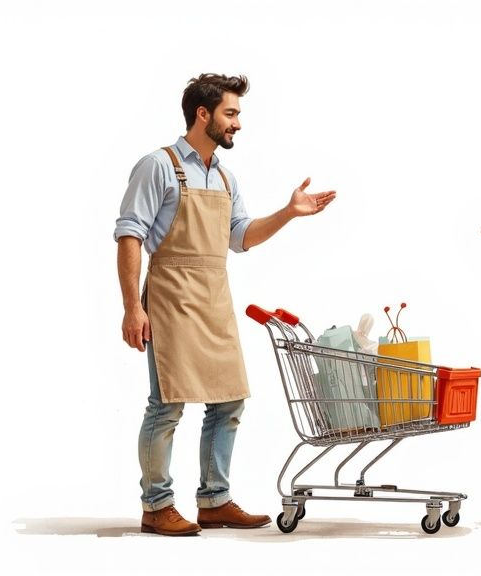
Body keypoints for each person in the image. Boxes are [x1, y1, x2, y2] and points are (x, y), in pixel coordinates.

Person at [114, 73, 336, 536]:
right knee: (167, 404)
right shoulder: (160, 165)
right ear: (203, 114)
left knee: (230, 399)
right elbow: (130, 234)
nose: (238, 123)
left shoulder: (223, 174)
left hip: (214, 295)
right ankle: (156, 505)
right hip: (171, 297)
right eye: (231, 114)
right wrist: (133, 307)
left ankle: (214, 500)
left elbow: (241, 238)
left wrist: (288, 213)